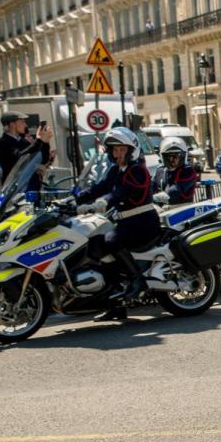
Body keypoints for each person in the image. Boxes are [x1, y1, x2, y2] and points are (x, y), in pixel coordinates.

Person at [75, 128, 160, 317]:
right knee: (95, 246)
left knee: (112, 240)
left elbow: (122, 192)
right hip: (126, 223)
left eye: (122, 149)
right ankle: (115, 302)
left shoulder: (139, 171)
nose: (118, 154)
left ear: (131, 150)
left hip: (143, 223)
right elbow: (98, 188)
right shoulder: (115, 170)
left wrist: (103, 202)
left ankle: (138, 280)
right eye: (115, 150)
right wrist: (74, 200)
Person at [0, 111, 52, 186]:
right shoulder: (1, 144)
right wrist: (38, 140)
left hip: (31, 184)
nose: (25, 125)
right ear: (12, 125)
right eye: (22, 122)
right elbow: (19, 158)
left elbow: (43, 159)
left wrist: (45, 142)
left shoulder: (23, 141)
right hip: (15, 187)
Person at [152, 137, 198, 204]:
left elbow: (175, 190)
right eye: (169, 156)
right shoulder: (160, 170)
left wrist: (154, 198)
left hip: (182, 207)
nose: (173, 160)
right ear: (163, 157)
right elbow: (151, 187)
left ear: (183, 156)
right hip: (162, 207)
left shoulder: (188, 171)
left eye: (177, 156)